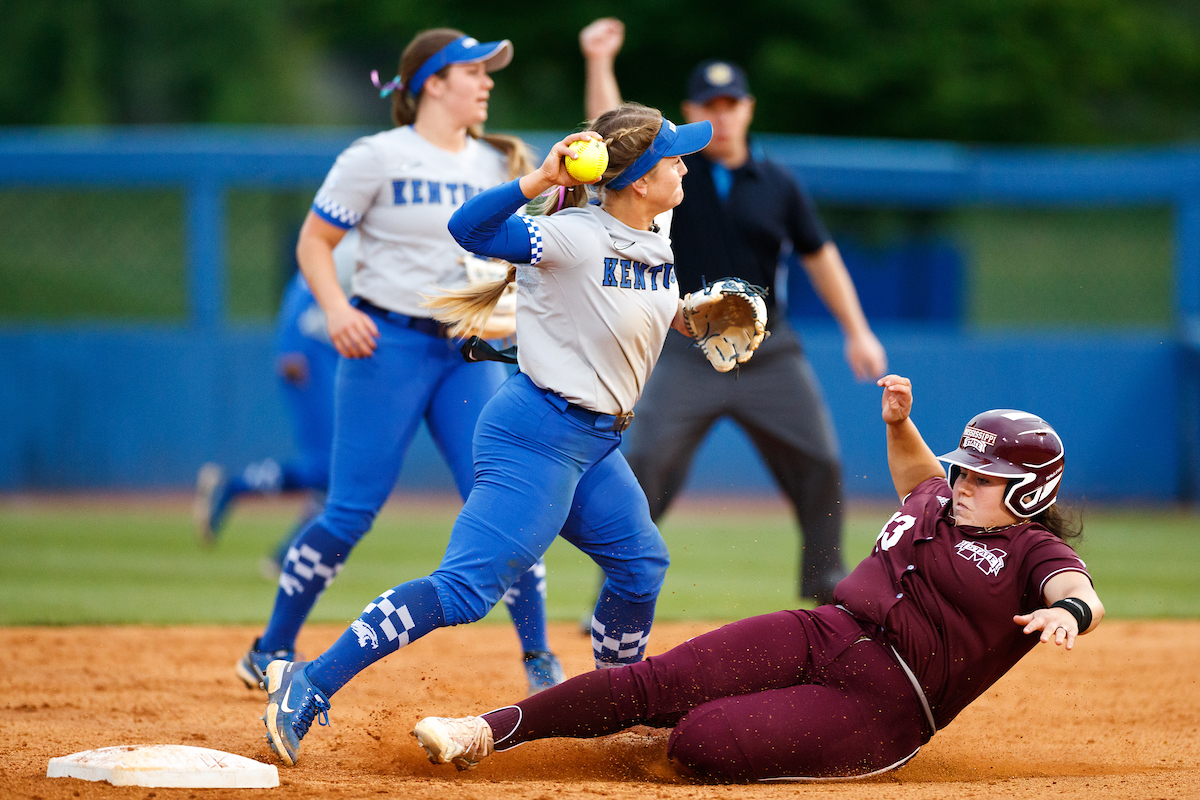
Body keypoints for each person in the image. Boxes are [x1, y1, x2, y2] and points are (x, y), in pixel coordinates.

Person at [258, 102, 723, 767]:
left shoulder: (655, 227)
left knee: (641, 565)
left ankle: (616, 707)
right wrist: (537, 181)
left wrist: (692, 316)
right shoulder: (571, 236)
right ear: (641, 178)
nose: (685, 162)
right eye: (673, 155)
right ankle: (309, 680)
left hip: (594, 445)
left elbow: (624, 302)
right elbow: (467, 228)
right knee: (463, 592)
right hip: (536, 436)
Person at [411, 374, 1104, 782]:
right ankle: (483, 730)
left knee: (698, 742)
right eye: (966, 470)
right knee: (652, 682)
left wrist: (1064, 616)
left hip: (889, 706)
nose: (964, 484)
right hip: (825, 631)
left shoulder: (1031, 552)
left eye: (986, 479)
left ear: (1029, 494)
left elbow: (1079, 594)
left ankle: (676, 731)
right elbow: (919, 473)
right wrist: (900, 423)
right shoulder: (938, 497)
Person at [235, 28, 564, 701]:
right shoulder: (376, 156)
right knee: (350, 510)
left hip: (466, 351)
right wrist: (333, 308)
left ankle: (538, 657)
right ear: (432, 83)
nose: (487, 81)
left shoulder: (496, 163)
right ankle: (270, 646)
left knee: (503, 501)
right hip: (387, 345)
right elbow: (314, 242)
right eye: (474, 71)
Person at [579, 19, 889, 604]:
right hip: (685, 345)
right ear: (690, 109)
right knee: (646, 460)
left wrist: (858, 331)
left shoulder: (778, 183)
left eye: (732, 102)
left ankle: (825, 581)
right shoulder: (667, 175)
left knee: (820, 459)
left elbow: (821, 258)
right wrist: (600, 62)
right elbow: (612, 139)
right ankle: (618, 584)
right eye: (708, 103)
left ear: (748, 108)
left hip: (769, 352)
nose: (722, 113)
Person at [194, 230, 358, 578]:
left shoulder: (381, 239)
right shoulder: (354, 242)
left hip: (332, 356)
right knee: (328, 468)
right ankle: (237, 492)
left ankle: (288, 553)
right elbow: (304, 284)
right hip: (310, 355)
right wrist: (290, 345)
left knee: (335, 471)